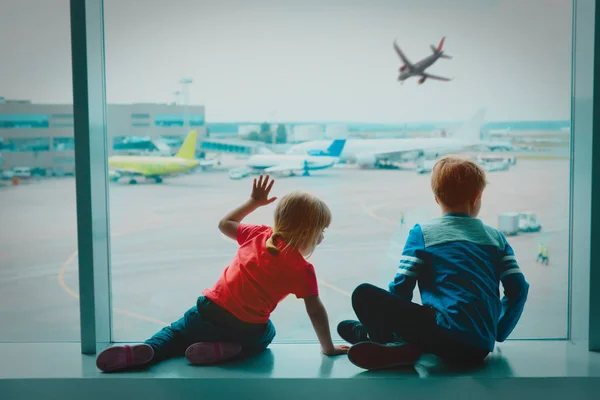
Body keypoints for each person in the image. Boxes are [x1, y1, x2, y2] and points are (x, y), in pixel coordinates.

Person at [96, 175, 348, 372]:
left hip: (209, 309)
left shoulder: (257, 233)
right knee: (268, 334)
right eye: (321, 230)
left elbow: (224, 224)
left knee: (176, 332)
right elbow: (315, 310)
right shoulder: (302, 269)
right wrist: (327, 348)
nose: (322, 236)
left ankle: (149, 349)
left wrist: (254, 202)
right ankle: (226, 350)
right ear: (308, 233)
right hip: (246, 329)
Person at [338, 156, 530, 370]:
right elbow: (519, 289)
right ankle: (387, 343)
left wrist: (389, 324)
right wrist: (498, 331)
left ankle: (390, 343)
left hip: (442, 338)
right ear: (477, 197)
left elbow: (402, 288)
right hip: (480, 347)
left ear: (437, 198)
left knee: (363, 294)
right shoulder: (496, 238)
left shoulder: (424, 233)